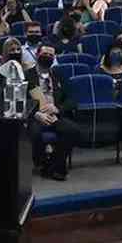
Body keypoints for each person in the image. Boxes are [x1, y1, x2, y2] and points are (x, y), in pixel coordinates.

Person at [26, 42, 78, 181]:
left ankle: (52, 165)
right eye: (44, 54)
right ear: (37, 55)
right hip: (36, 116)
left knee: (72, 130)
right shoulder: (27, 75)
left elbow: (72, 100)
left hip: (55, 115)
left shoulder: (58, 75)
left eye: (50, 55)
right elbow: (19, 100)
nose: (47, 57)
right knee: (35, 133)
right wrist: (36, 114)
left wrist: (57, 109)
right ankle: (48, 165)